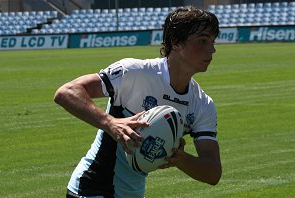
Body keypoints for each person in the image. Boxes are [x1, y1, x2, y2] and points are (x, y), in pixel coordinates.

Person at [54, 6, 222, 198]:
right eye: (203, 41)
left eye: (212, 41)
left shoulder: (202, 104)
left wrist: (180, 159)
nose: (212, 49)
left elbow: (213, 172)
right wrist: (111, 123)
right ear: (176, 42)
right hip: (91, 188)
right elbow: (67, 92)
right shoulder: (135, 72)